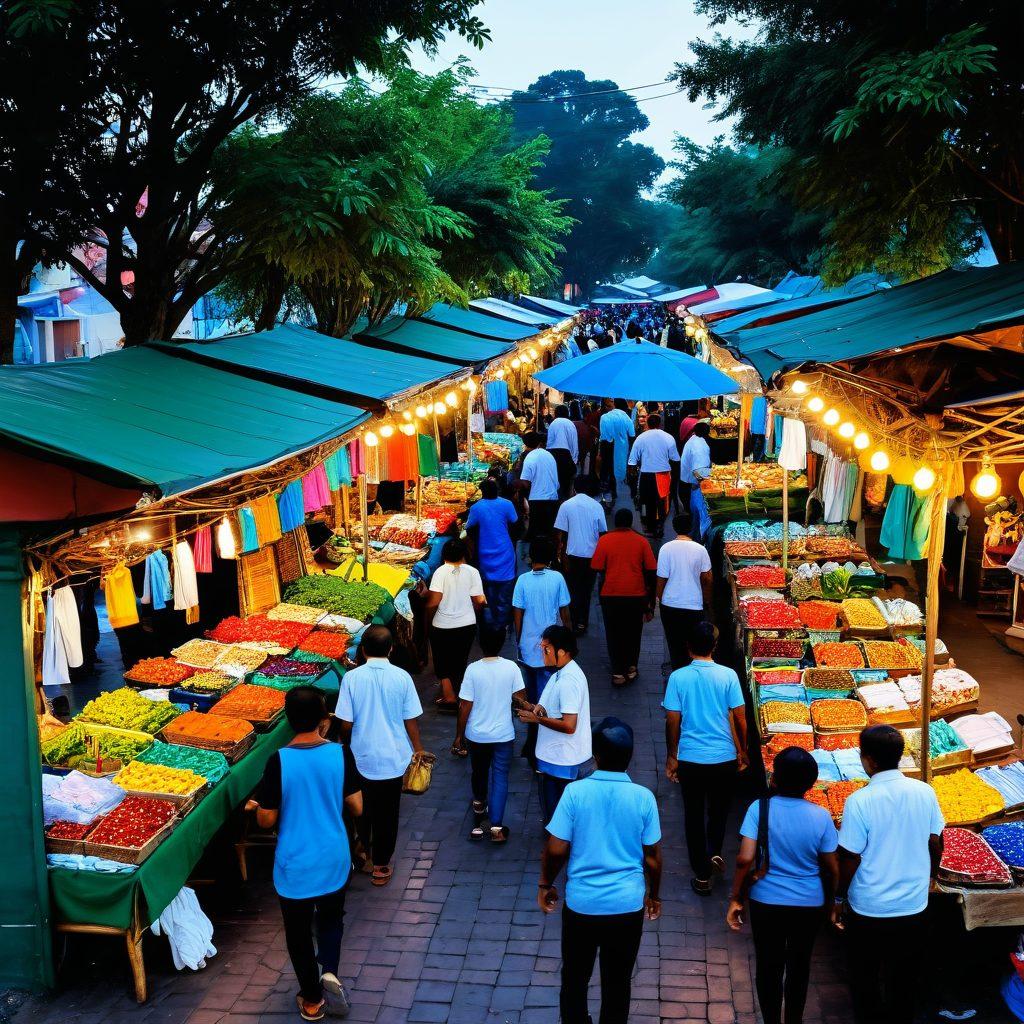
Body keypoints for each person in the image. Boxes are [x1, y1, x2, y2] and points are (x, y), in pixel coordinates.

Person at [250, 686, 362, 1021]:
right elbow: (356, 806)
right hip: (334, 856)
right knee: (331, 919)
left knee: (297, 930)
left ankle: (312, 1000)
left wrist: (260, 807)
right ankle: (329, 970)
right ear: (324, 718)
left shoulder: (278, 761)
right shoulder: (341, 754)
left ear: (287, 719)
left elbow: (266, 819)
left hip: (295, 862)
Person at [540, 717, 662, 1024]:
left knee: (574, 980)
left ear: (595, 755)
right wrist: (654, 895)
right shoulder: (643, 798)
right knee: (618, 983)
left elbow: (556, 849)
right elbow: (652, 858)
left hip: (582, 905)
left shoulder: (575, 793)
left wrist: (546, 884)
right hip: (626, 905)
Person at [833, 725, 944, 1024]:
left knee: (865, 978)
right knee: (904, 981)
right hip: (913, 905)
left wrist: (839, 897)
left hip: (869, 907)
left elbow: (850, 856)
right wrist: (931, 877)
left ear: (868, 760)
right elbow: (936, 841)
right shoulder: (925, 791)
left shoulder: (859, 800)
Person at [728, 747, 839, 1024]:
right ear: (811, 784)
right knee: (799, 966)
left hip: (766, 901)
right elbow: (831, 866)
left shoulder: (759, 808)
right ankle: (793, 1019)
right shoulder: (821, 816)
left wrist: (735, 898)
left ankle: (771, 1020)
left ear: (774, 778)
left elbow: (745, 859)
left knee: (768, 966)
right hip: (808, 904)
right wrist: (834, 902)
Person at [663, 621, 748, 895]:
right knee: (719, 811)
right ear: (715, 647)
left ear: (688, 648)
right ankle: (714, 850)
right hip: (723, 758)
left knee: (693, 814)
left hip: (691, 759)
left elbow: (672, 720)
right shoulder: (728, 676)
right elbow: (740, 718)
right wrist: (743, 751)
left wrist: (672, 756)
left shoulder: (678, 678)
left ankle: (701, 874)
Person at [336, 626, 424, 888]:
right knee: (389, 812)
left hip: (362, 755)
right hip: (395, 757)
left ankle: (365, 851)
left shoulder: (352, 679)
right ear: (390, 649)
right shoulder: (402, 677)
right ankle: (382, 864)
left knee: (363, 809)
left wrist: (344, 743)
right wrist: (418, 749)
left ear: (362, 650)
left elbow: (346, 723)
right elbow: (411, 720)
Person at [455, 627, 527, 844]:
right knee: (500, 776)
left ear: (480, 644)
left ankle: (479, 808)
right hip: (503, 734)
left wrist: (459, 735)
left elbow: (465, 706)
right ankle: (496, 825)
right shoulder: (511, 668)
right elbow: (520, 698)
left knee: (479, 771)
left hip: (477, 734)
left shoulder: (473, 670)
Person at [517, 625, 592, 824]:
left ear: (562, 652)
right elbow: (543, 709)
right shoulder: (559, 674)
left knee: (558, 821)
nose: (542, 653)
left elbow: (569, 725)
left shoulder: (569, 681)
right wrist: (528, 706)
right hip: (554, 759)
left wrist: (537, 719)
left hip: (563, 762)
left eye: (546, 649)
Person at [512, 537, 572, 763]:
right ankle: (540, 742)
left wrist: (519, 639)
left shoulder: (522, 581)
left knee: (532, 697)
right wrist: (568, 637)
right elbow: (564, 610)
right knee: (546, 699)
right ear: (549, 559)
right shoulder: (557, 578)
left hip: (528, 649)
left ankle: (532, 740)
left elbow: (518, 613)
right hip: (551, 648)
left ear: (529, 559)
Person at [591, 508, 657, 686]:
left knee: (613, 633)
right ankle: (631, 667)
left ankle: (618, 672)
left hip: (610, 594)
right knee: (633, 632)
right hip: (636, 594)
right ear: (630, 523)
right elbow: (651, 570)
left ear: (615, 523)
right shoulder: (642, 542)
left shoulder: (605, 540)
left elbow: (596, 565)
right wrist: (651, 603)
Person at [425, 539, 485, 723]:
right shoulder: (473, 572)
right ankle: (459, 694)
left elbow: (434, 601)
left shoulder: (440, 572)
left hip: (442, 624)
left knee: (442, 659)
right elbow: (480, 600)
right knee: (460, 660)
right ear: (463, 554)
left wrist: (426, 615)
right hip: (467, 624)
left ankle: (449, 695)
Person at [656, 513, 712, 670]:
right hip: (694, 604)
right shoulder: (700, 550)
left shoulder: (665, 549)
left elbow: (661, 578)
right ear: (691, 528)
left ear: (674, 528)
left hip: (670, 604)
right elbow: (707, 579)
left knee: (674, 643)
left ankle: (676, 672)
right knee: (693, 644)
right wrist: (707, 601)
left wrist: (659, 598)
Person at [554, 475, 607, 636]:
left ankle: (572, 620)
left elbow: (560, 534)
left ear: (574, 488)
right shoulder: (597, 506)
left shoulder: (566, 505)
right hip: (592, 556)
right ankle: (582, 622)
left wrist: (560, 555)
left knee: (571, 589)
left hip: (571, 556)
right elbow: (603, 533)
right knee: (586, 590)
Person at [465, 478, 519, 634]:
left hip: (485, 554)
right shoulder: (507, 504)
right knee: (505, 592)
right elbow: (515, 523)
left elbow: (469, 528)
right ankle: (501, 624)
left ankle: (494, 620)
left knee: (490, 591)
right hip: (505, 552)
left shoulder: (477, 508)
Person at [627, 412, 680, 537]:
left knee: (646, 501)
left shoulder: (641, 438)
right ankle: (660, 525)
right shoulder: (668, 437)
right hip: (663, 475)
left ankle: (648, 526)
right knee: (662, 502)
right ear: (660, 424)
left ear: (648, 423)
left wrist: (633, 482)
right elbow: (676, 459)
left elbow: (632, 461)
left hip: (646, 475)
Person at [519, 431, 561, 544]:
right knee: (549, 533)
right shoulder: (549, 455)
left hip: (538, 500)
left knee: (536, 534)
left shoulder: (530, 457)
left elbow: (525, 482)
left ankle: (535, 558)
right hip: (553, 498)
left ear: (526, 445)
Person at [680, 421, 714, 542]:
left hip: (690, 486)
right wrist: (716, 474)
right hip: (697, 487)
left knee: (696, 517)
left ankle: (696, 538)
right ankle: (700, 541)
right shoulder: (700, 446)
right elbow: (699, 471)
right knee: (701, 518)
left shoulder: (693, 440)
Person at [598, 399, 634, 501]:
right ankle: (615, 493)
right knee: (617, 470)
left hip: (607, 449)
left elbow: (603, 437)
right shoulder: (627, 419)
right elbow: (632, 436)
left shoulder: (604, 417)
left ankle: (607, 495)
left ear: (615, 404)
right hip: (622, 450)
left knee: (606, 471)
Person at [546, 404, 579, 500]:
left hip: (553, 454)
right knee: (566, 484)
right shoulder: (570, 424)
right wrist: (574, 460)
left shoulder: (553, 423)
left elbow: (549, 442)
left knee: (554, 483)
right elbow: (574, 443)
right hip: (566, 456)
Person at [571, 403, 598, 476]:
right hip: (585, 447)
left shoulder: (573, 423)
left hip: (577, 448)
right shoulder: (588, 425)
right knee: (584, 463)